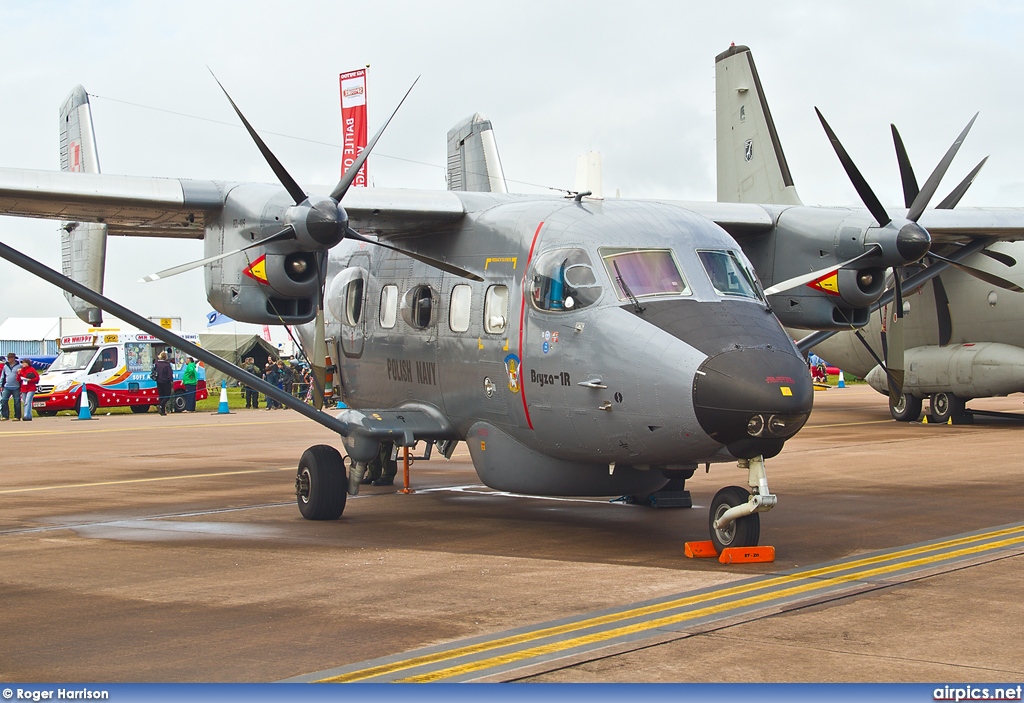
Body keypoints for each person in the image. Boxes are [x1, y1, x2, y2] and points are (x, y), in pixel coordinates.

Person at [1, 352, 22, 421]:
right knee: (4, 400)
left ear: (13, 358)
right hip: (7, 386)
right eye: (8, 358)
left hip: (16, 386)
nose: (8, 359)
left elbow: (22, 375)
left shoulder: (19, 366)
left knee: (17, 401)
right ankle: (5, 415)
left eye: (10, 358)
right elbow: (3, 376)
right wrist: (1, 385)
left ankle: (17, 416)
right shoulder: (5, 366)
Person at [154, 351, 174, 416]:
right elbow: (169, 374)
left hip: (158, 381)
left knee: (161, 396)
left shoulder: (157, 363)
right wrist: (171, 381)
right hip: (166, 381)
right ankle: (161, 405)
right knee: (167, 396)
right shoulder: (167, 364)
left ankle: (162, 411)